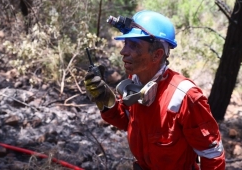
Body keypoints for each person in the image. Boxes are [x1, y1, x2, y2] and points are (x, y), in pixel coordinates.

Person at [84, 10, 225, 170]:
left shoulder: (186, 96)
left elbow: (212, 155)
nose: (123, 52)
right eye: (126, 44)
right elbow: (127, 121)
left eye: (134, 45)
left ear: (157, 55)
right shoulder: (135, 82)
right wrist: (104, 99)